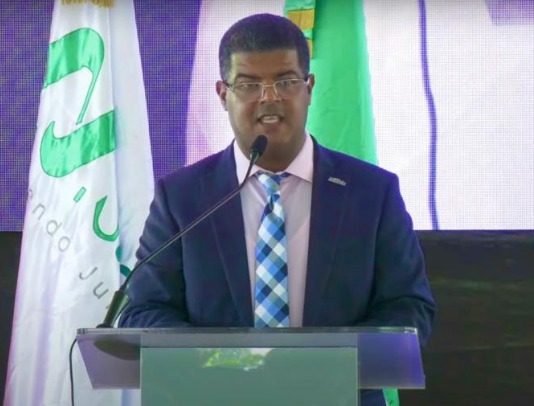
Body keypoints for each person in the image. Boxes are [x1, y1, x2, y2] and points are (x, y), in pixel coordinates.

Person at [119, 13, 435, 405]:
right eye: (249, 84)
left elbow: (409, 307)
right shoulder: (182, 198)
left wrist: (332, 366)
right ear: (223, 94)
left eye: (285, 82)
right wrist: (220, 363)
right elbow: (144, 311)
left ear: (309, 88)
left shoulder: (372, 192)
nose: (269, 98)